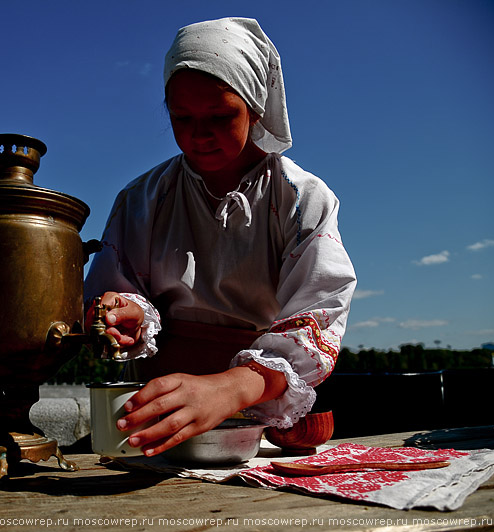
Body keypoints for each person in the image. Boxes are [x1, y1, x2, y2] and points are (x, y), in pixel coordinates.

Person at [84, 17, 356, 458]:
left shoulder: (300, 197)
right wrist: (127, 314)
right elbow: (120, 288)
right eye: (181, 117)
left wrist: (231, 389)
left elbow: (317, 312)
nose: (198, 134)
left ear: (256, 107)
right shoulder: (142, 199)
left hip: (256, 411)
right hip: (157, 409)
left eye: (220, 115)